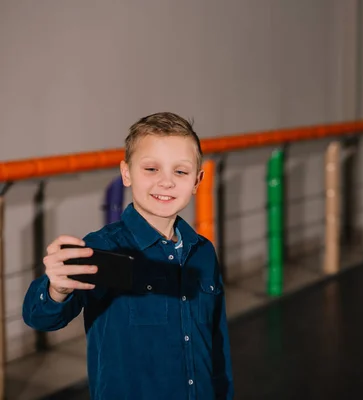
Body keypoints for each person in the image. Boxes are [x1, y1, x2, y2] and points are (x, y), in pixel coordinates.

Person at [22, 112, 233, 400]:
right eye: (151, 169)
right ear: (126, 173)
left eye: (180, 172)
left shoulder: (203, 252)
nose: (166, 182)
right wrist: (55, 289)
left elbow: (217, 343)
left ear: (197, 181)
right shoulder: (103, 249)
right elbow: (41, 318)